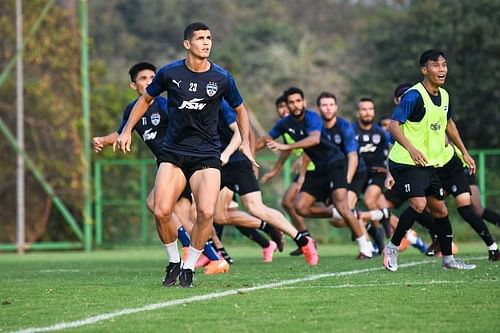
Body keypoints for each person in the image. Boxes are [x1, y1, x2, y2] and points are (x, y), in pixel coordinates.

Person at [115, 22, 254, 288]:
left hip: (206, 154)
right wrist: (125, 131)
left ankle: (189, 267)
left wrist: (245, 142)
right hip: (174, 153)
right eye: (200, 38)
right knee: (160, 211)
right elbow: (144, 100)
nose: (206, 42)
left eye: (209, 38)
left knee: (205, 212)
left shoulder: (222, 77)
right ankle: (173, 261)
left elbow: (241, 109)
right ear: (187, 44)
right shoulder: (170, 73)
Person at [92, 62, 230, 278]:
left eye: (151, 78)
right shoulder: (133, 109)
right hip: (168, 168)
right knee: (164, 209)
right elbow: (121, 133)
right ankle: (207, 255)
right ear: (133, 85)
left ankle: (213, 257)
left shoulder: (165, 105)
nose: (148, 82)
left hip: (182, 165)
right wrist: (102, 140)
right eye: (143, 79)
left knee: (184, 215)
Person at [383, 49, 476, 271]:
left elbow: (449, 124)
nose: (441, 69)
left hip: (429, 164)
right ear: (424, 70)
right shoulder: (414, 96)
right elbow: (393, 125)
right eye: (436, 65)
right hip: (405, 161)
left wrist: (463, 151)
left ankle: (448, 259)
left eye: (444, 65)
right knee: (418, 204)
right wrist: (411, 148)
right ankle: (392, 248)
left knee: (441, 211)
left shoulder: (444, 96)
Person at [263, 87, 374, 259]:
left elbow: (350, 154)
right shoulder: (288, 124)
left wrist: (345, 181)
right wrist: (244, 149)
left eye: (298, 101)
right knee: (300, 207)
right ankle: (342, 213)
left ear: (305, 103)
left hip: (338, 165)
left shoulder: (319, 120)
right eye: (291, 102)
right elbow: (267, 140)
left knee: (343, 205)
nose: (328, 108)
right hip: (319, 168)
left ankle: (365, 247)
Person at [215, 99, 318, 265]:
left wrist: (249, 156)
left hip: (236, 163)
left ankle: (303, 241)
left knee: (256, 207)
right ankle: (212, 253)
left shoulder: (223, 103)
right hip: (217, 164)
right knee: (218, 216)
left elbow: (244, 130)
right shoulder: (193, 104)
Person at [259, 95, 316, 256]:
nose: (284, 110)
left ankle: (306, 239)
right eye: (281, 107)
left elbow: (312, 146)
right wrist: (273, 171)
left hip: (316, 169)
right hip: (307, 169)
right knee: (287, 202)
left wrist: (303, 172)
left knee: (337, 209)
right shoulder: (287, 127)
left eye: (287, 106)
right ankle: (306, 239)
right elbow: (286, 151)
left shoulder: (305, 122)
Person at [353, 98, 392, 240]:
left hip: (378, 173)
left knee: (370, 199)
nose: (367, 112)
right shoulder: (351, 131)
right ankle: (384, 220)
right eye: (364, 109)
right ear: (358, 113)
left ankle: (379, 231)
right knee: (348, 209)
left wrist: (389, 173)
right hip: (359, 174)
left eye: (370, 109)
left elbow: (391, 152)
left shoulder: (380, 133)